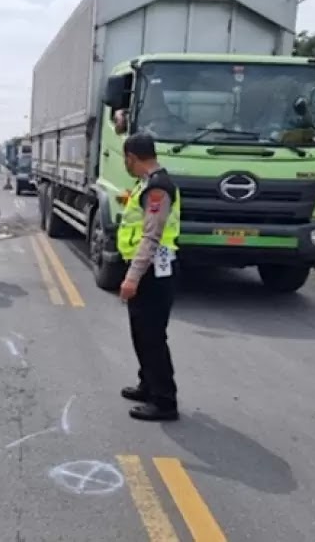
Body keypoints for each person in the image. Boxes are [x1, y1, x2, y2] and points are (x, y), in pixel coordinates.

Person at [117, 133, 181, 422]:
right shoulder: (146, 184)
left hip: (154, 271)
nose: (125, 164)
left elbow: (150, 237)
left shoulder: (158, 188)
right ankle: (148, 385)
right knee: (141, 332)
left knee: (152, 336)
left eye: (125, 159)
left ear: (131, 157)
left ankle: (164, 401)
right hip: (150, 269)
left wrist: (132, 278)